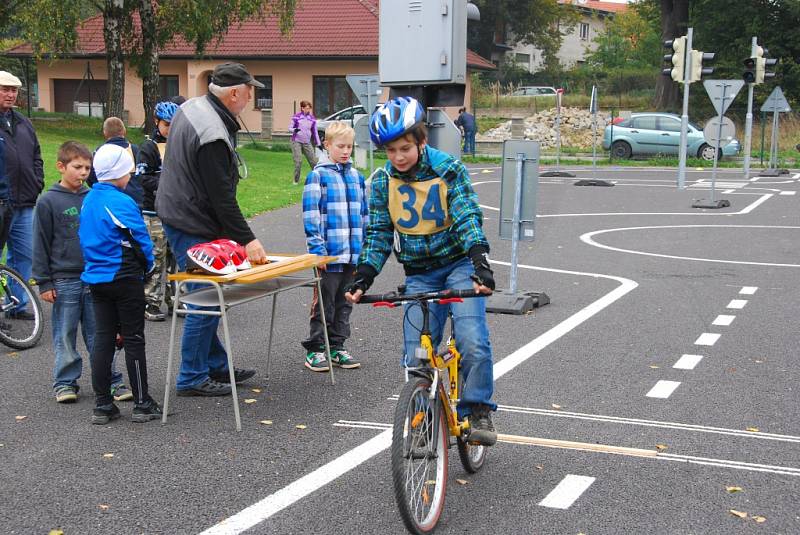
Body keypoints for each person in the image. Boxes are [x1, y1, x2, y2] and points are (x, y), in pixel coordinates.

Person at [345, 96, 498, 446]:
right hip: (419, 273)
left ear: (422, 141)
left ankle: (477, 408)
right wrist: (363, 275)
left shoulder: (447, 170)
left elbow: (466, 216)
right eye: (390, 151)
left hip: (458, 265)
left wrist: (480, 263)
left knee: (472, 339)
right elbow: (380, 232)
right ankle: (422, 416)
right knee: (416, 352)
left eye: (405, 148)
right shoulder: (383, 182)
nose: (398, 157)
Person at [157, 62, 268, 397]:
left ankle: (215, 366)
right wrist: (248, 240)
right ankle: (191, 377)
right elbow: (220, 197)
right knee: (205, 299)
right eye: (250, 91)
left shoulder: (194, 105)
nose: (251, 97)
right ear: (234, 93)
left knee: (210, 295)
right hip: (190, 219)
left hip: (180, 211)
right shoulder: (212, 133)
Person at [33, 141, 132, 404]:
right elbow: (40, 242)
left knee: (100, 332)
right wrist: (44, 282)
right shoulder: (48, 201)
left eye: (88, 167)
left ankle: (111, 379)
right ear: (61, 167)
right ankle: (65, 382)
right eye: (77, 167)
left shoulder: (93, 198)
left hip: (95, 276)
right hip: (64, 279)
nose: (83, 172)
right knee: (65, 332)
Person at [79, 143, 161, 424]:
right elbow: (141, 240)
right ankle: (141, 403)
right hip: (124, 276)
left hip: (96, 278)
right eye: (127, 171)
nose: (130, 176)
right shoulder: (122, 202)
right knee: (134, 338)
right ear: (118, 173)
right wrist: (149, 267)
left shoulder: (88, 200)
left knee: (102, 339)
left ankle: (102, 404)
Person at [301, 121, 368, 372]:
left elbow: (365, 215)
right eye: (340, 146)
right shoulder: (318, 176)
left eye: (349, 146)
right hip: (329, 256)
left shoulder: (357, 177)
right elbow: (311, 216)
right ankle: (316, 348)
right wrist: (318, 252)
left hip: (352, 254)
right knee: (324, 303)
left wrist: (364, 248)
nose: (345, 151)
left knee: (345, 302)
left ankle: (337, 346)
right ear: (327, 145)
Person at [0, 70, 44, 319]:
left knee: (24, 254)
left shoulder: (23, 122)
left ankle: (16, 303)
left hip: (25, 201)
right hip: (1, 202)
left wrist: (37, 181)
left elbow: (36, 155)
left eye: (13, 90)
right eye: (4, 89)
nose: (10, 94)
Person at [136, 101, 178, 322]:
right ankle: (151, 301)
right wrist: (166, 183)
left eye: (174, 125)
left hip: (177, 212)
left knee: (176, 257)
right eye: (167, 124)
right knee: (156, 257)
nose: (170, 129)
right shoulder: (149, 147)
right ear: (157, 122)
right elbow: (142, 177)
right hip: (154, 213)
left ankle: (175, 300)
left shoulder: (178, 144)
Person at [87, 117, 143, 206]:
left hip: (108, 200)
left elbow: (91, 177)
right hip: (135, 200)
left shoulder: (100, 152)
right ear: (124, 131)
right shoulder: (135, 150)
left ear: (105, 132)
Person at [289, 100, 321, 184]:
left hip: (307, 142)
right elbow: (290, 128)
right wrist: (295, 130)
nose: (308, 110)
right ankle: (296, 181)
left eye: (309, 108)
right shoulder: (296, 117)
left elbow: (315, 132)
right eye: (306, 108)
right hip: (296, 141)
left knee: (314, 161)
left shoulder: (312, 119)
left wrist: (318, 143)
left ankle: (318, 179)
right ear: (302, 108)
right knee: (298, 161)